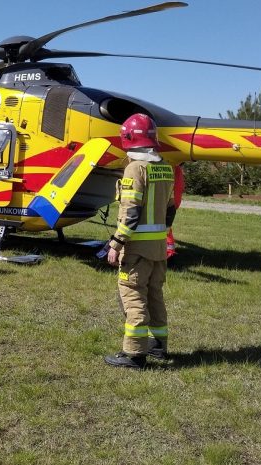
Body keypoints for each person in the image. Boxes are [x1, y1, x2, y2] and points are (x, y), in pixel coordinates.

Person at [104, 113, 177, 369]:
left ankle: (134, 354)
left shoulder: (135, 169)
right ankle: (159, 346)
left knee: (133, 297)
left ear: (127, 139)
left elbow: (130, 213)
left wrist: (115, 243)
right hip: (158, 249)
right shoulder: (164, 167)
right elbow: (170, 210)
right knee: (155, 296)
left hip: (136, 250)